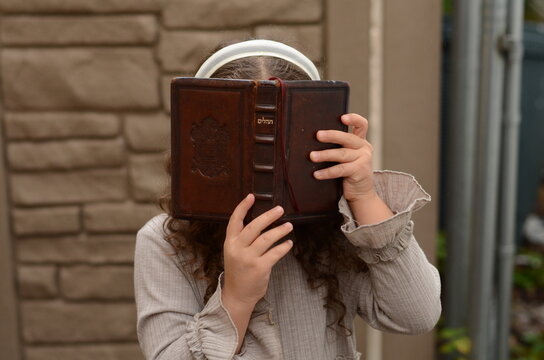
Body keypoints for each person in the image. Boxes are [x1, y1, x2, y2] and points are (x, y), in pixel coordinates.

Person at [134, 39, 441, 360]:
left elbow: (416, 316)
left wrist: (363, 195)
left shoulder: (336, 229)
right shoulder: (164, 243)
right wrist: (237, 297)